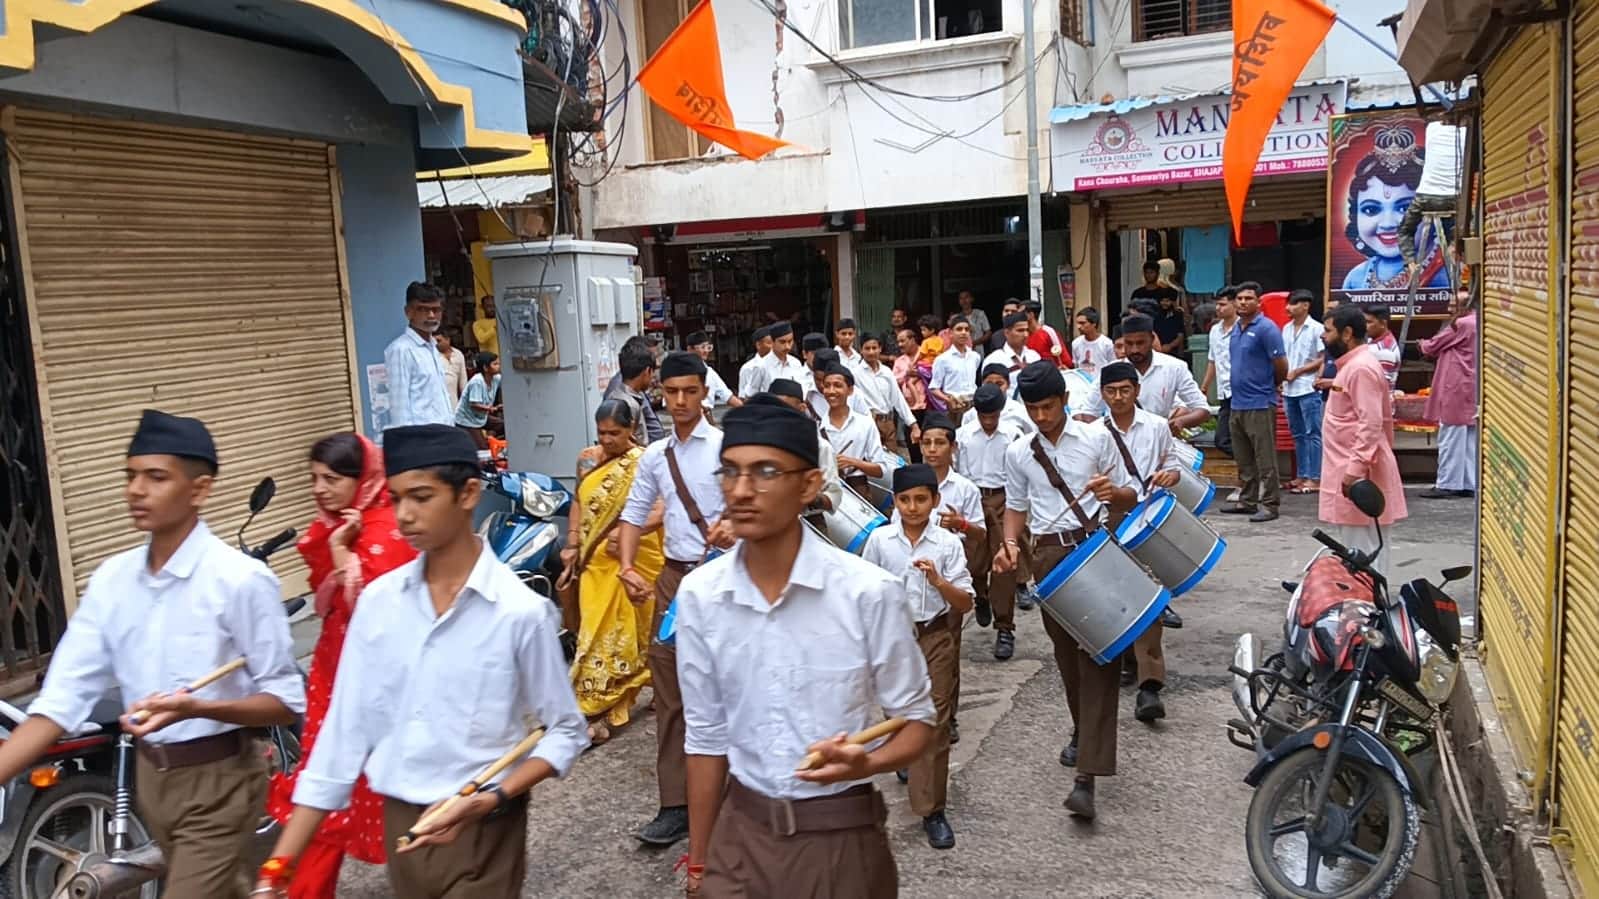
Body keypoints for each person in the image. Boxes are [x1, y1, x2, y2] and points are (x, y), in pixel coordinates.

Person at [261, 425, 588, 899]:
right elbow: (341, 738)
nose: (405, 515)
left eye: (421, 497)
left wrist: (493, 796)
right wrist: (278, 865)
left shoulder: (521, 613)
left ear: (469, 493)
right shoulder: (379, 603)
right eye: (395, 499)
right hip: (404, 826)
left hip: (484, 832)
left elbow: (566, 730)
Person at [0, 411, 305, 898]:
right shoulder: (112, 582)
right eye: (131, 475)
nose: (136, 490)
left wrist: (199, 707)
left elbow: (287, 700)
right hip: (150, 780)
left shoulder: (239, 581)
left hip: (222, 780)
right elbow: (59, 703)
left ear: (199, 489)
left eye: (156, 477)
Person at [675, 396, 936, 899]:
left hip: (837, 837)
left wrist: (870, 762)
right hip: (740, 834)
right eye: (730, 472)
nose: (743, 491)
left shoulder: (868, 593)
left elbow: (919, 722)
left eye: (766, 471)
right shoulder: (701, 596)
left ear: (810, 485)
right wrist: (700, 865)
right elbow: (706, 740)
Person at [261, 433, 416, 898]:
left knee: (406, 794)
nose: (319, 489)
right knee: (320, 788)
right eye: (313, 479)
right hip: (335, 674)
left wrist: (342, 554)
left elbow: (377, 614)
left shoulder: (389, 531)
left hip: (383, 686)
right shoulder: (339, 525)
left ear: (361, 478)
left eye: (331, 479)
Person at [993, 362, 1137, 820]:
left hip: (1095, 549)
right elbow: (1016, 508)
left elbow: (1132, 493)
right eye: (1033, 408)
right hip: (1048, 559)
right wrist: (1010, 545)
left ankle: (1086, 779)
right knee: (1067, 659)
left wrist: (1112, 491)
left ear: (1065, 402)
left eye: (1048, 406)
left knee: (1099, 657)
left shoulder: (1096, 437)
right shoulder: (1019, 453)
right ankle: (1083, 730)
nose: (1042, 416)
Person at [617, 351, 734, 847]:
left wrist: (735, 526)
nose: (681, 401)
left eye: (690, 391)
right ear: (659, 394)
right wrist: (625, 566)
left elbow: (752, 507)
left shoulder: (729, 449)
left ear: (706, 392)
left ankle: (733, 799)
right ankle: (674, 804)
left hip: (726, 581)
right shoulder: (654, 456)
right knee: (669, 694)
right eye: (671, 393)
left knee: (729, 689)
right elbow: (633, 513)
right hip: (673, 582)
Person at [861, 463, 974, 851]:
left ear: (935, 501)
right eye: (905, 500)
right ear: (895, 501)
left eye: (921, 500)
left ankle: (932, 809)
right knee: (899, 715)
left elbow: (966, 601)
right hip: (894, 640)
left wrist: (938, 581)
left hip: (936, 636)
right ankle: (907, 758)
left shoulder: (947, 544)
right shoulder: (879, 541)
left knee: (936, 720)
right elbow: (865, 593)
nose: (912, 508)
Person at [564, 400, 664, 745]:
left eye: (615, 433)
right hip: (594, 562)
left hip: (636, 558)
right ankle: (595, 700)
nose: (607, 440)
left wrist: (629, 531)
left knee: (635, 630)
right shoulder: (587, 459)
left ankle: (611, 704)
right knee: (596, 629)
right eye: (602, 433)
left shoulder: (647, 461)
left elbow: (663, 507)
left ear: (632, 430)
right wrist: (573, 543)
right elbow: (578, 500)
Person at [1095, 362, 1185, 724]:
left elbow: (1176, 467)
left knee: (1150, 597)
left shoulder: (1158, 427)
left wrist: (1170, 475)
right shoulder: (1093, 433)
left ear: (1136, 390)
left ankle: (1150, 685)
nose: (1118, 398)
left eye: (1124, 390)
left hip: (1148, 516)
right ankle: (1128, 660)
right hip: (1109, 518)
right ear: (1102, 394)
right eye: (1111, 391)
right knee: (1117, 595)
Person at [900, 414, 984, 748]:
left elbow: (981, 534)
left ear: (953, 447)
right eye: (926, 443)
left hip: (949, 580)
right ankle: (913, 721)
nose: (932, 450)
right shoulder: (906, 483)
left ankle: (946, 717)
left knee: (948, 654)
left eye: (939, 443)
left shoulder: (965, 489)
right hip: (913, 587)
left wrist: (961, 524)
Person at [1319, 307, 1409, 577]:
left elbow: (1370, 424)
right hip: (1351, 473)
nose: (1323, 337)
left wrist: (1354, 472)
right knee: (1357, 550)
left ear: (1346, 334)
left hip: (1358, 478)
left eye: (1328, 330)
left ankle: (1367, 610)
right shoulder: (1353, 367)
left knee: (1362, 553)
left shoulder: (1360, 369)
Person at [958, 384, 1029, 660]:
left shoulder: (1012, 435)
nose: (988, 421)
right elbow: (958, 469)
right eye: (983, 415)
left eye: (993, 415)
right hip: (972, 497)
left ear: (1000, 412)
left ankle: (1004, 627)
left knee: (1004, 564)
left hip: (1003, 498)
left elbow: (1020, 472)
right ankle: (981, 595)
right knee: (973, 560)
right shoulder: (964, 436)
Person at [1223, 282, 1289, 523]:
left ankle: (1270, 505)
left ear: (1258, 302)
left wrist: (1272, 384)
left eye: (1248, 298)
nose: (1242, 302)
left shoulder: (1267, 328)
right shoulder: (1236, 329)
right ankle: (1248, 501)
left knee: (1265, 458)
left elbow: (1281, 365)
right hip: (1237, 403)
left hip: (1260, 402)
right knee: (1243, 458)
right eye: (1239, 298)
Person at [1340, 147, 1449, 290]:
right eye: (1371, 209)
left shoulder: (1446, 271)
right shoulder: (1355, 278)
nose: (1387, 224)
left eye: (1405, 209)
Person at [1078, 315, 1210, 432]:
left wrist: (1180, 422)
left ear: (1152, 339)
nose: (1134, 349)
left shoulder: (1175, 367)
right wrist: (1104, 437)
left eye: (1140, 343)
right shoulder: (1111, 370)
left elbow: (1202, 409)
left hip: (1159, 440)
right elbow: (1088, 411)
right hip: (1119, 444)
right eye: (1129, 343)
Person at [1419, 290, 1479, 498]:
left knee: (1450, 436)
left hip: (1456, 385)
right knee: (1470, 438)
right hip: (1472, 385)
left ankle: (1447, 483)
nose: (1449, 309)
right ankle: (1468, 482)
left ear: (1464, 306)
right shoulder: (1479, 321)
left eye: (1453, 305)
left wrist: (1421, 343)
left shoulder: (1461, 324)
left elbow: (1432, 346)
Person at [1401, 119, 1466, 281]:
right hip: (1455, 197)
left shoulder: (1432, 128)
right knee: (1468, 223)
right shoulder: (1466, 132)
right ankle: (1454, 246)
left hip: (1426, 196)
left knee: (1404, 229)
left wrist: (1410, 260)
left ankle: (1410, 263)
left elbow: (1405, 231)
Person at [768, 378, 845, 513]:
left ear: (802, 408)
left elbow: (834, 496)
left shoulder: (820, 447)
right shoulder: (757, 447)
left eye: (786, 410)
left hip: (809, 521)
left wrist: (810, 496)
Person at [384, 282, 455, 429]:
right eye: (423, 309)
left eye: (436, 310)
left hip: (443, 435)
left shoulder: (433, 348)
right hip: (421, 441)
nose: (431, 315)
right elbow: (399, 409)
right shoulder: (401, 350)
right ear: (408, 312)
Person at [820, 364, 889, 496]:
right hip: (827, 494)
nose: (831, 391)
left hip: (859, 490)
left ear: (850, 390)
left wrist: (852, 462)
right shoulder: (817, 428)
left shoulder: (865, 423)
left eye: (837, 385)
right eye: (827, 386)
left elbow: (881, 470)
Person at [1282, 290, 1326, 495]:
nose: (1288, 308)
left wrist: (1299, 371)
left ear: (1305, 305)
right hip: (1289, 388)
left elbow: (1322, 358)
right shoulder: (1286, 328)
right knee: (1298, 434)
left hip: (1308, 386)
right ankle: (1302, 474)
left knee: (1313, 433)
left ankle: (1315, 477)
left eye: (1293, 304)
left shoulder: (1317, 328)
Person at [854, 331, 920, 454]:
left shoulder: (886, 372)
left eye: (874, 348)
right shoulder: (855, 374)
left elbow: (898, 400)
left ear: (880, 349)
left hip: (888, 423)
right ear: (861, 350)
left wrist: (913, 425)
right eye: (867, 348)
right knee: (873, 461)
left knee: (892, 461)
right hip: (869, 424)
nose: (871, 352)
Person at [1201, 287, 1238, 456]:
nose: (1218, 308)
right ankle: (1248, 465)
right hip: (1225, 392)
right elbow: (1212, 360)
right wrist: (1204, 386)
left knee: (1241, 436)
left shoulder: (1243, 328)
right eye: (1217, 304)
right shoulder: (1215, 330)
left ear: (1234, 304)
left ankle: (1249, 470)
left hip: (1242, 391)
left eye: (1223, 304)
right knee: (1222, 439)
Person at [930, 316, 982, 423]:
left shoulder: (975, 357)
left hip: (974, 404)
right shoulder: (942, 359)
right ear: (950, 333)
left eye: (966, 329)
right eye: (959, 329)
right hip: (954, 405)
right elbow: (934, 388)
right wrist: (948, 400)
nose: (963, 333)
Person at [454, 352, 502, 451]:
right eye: (495, 364)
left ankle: (490, 438)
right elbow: (474, 404)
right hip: (467, 420)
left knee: (503, 425)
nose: (499, 366)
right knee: (482, 448)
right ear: (485, 367)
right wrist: (491, 408)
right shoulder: (477, 381)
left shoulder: (496, 379)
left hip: (481, 417)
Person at [984, 311, 1042, 388]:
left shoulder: (1034, 356)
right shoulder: (994, 360)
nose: (1026, 335)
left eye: (1027, 330)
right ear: (1006, 333)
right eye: (1020, 330)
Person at [687, 332, 741, 413]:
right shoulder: (680, 371)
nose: (706, 351)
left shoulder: (710, 373)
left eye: (708, 347)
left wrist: (747, 411)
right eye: (702, 347)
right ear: (690, 349)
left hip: (705, 418)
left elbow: (728, 396)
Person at [979, 363, 1036, 434]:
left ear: (1008, 384)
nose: (994, 388)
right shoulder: (972, 414)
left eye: (999, 384)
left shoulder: (1021, 411)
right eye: (989, 384)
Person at [757, 321, 808, 393]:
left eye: (790, 341)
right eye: (782, 342)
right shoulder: (761, 366)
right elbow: (750, 395)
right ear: (772, 342)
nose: (787, 346)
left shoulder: (796, 363)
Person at [1024, 301, 1071, 368]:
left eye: (1021, 313)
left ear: (1030, 315)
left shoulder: (1048, 332)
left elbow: (1064, 359)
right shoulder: (1022, 335)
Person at [1364, 306, 1402, 387]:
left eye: (1369, 322)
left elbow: (1380, 385)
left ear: (1383, 324)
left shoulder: (1385, 351)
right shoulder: (1372, 340)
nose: (1365, 326)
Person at [1072, 308, 1116, 375]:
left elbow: (1113, 365)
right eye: (1077, 323)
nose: (1079, 327)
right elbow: (1076, 366)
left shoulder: (1107, 343)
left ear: (1094, 324)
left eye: (1082, 323)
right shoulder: (1076, 343)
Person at [737, 326, 773, 398]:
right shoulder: (748, 368)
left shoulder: (782, 363)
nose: (773, 346)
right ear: (758, 345)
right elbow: (742, 396)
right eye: (769, 343)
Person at [435, 331, 467, 401]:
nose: (436, 344)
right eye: (434, 341)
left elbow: (463, 378)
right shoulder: (432, 356)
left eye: (438, 341)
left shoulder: (458, 354)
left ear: (448, 340)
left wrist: (465, 399)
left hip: (453, 398)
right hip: (438, 399)